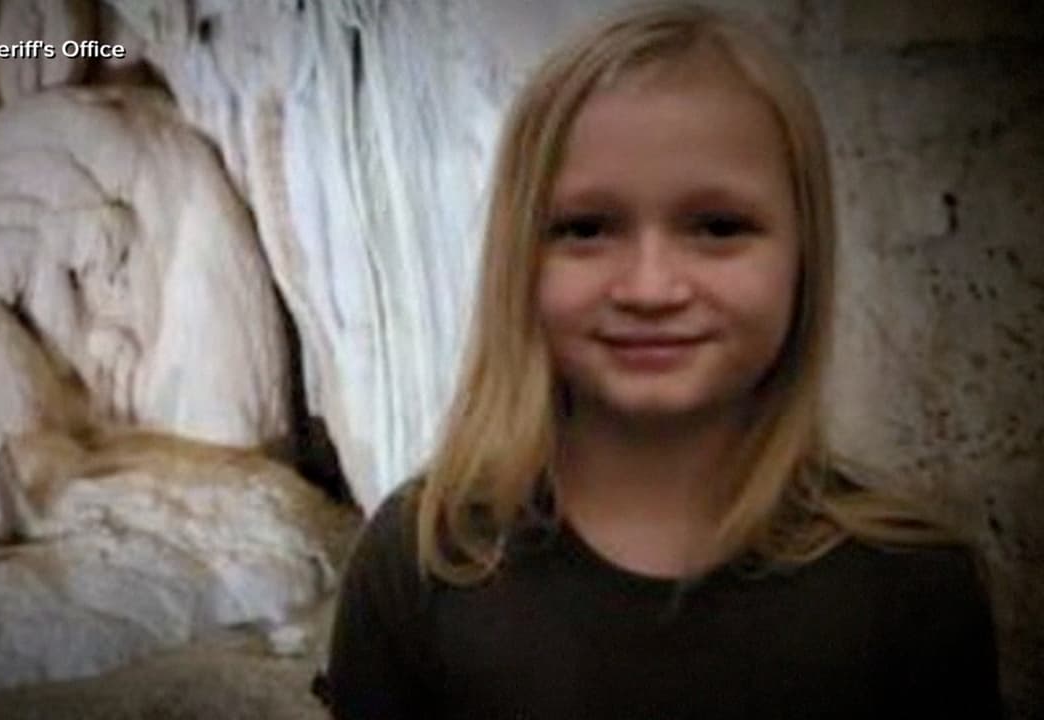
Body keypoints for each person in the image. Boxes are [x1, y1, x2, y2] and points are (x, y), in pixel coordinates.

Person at [316, 3, 1003, 718]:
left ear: (806, 255)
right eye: (587, 228)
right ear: (518, 259)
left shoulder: (914, 586)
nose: (650, 289)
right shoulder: (419, 565)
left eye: (719, 227)